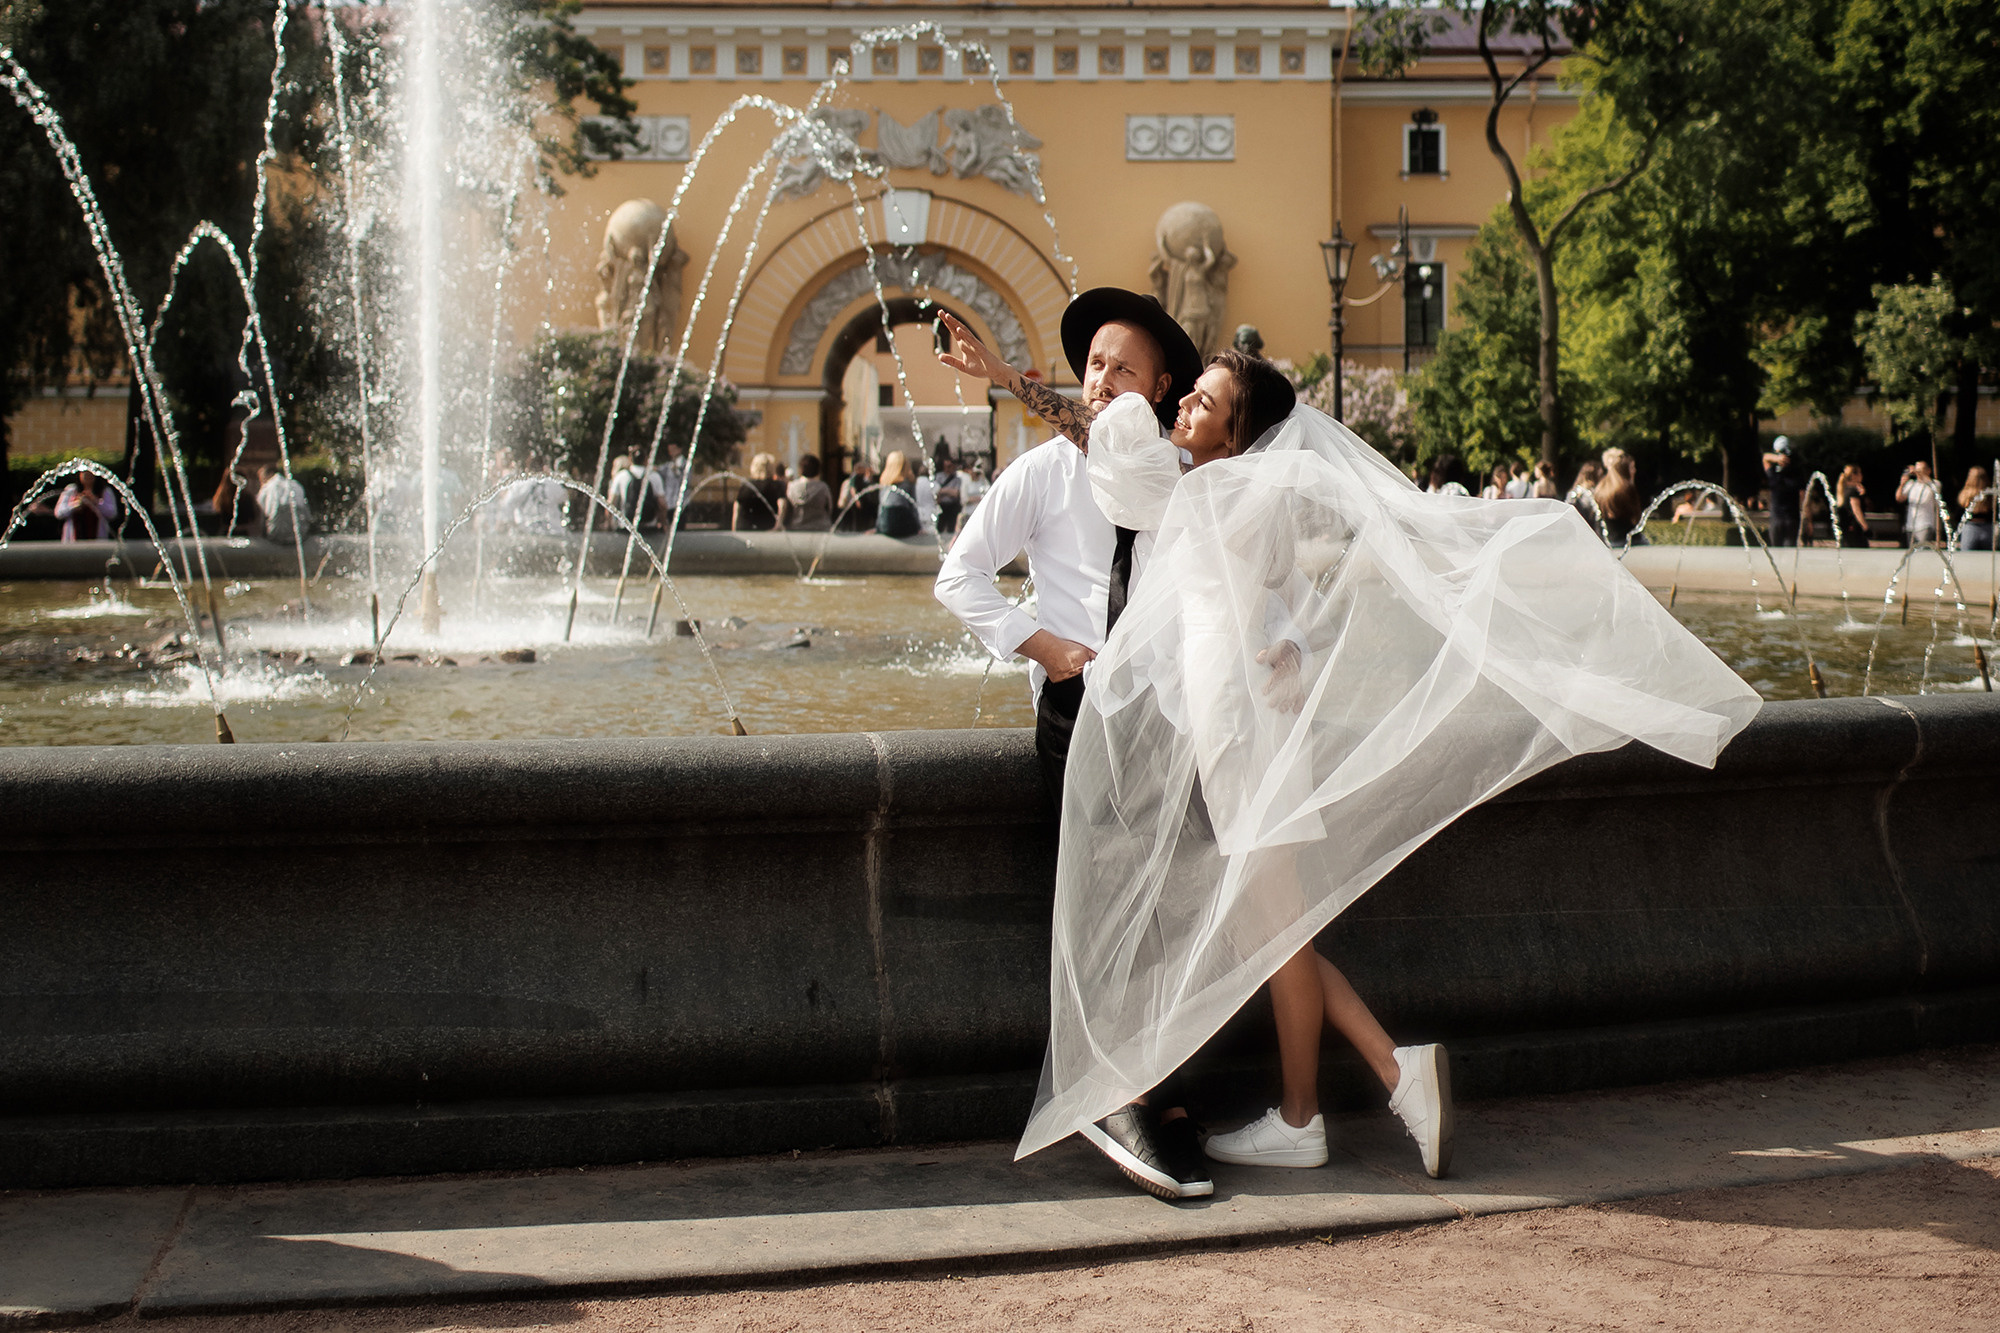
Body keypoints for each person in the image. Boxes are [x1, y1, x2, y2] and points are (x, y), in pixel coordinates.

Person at [1010, 356, 1760, 1197]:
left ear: (1236, 431)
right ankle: (1308, 1115)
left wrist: (1051, 385)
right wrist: (1292, 645)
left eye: (1203, 401)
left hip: (1230, 720)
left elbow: (1107, 445)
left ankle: (1388, 1077)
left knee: (1277, 929)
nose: (1181, 404)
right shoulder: (1250, 493)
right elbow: (1285, 590)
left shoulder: (1205, 492)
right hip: (1255, 710)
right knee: (1275, 927)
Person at [934, 287, 1206, 1199]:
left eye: (1122, 366)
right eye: (1092, 363)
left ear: (1162, 384)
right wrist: (1041, 645)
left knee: (1160, 906)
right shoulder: (1045, 472)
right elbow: (959, 575)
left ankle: (1154, 1084)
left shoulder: (1173, 469)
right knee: (1098, 899)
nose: (1102, 380)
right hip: (1080, 708)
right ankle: (1114, 1089)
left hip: (1162, 711)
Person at [1595, 447, 1644, 546]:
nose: (1634, 470)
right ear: (1624, 469)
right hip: (1628, 542)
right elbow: (1636, 520)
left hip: (1607, 542)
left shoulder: (1600, 488)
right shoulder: (1626, 489)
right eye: (1632, 467)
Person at [1762, 437, 1804, 547]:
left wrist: (1806, 519)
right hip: (1779, 518)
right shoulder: (1775, 473)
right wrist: (1777, 459)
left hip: (1790, 519)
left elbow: (1803, 496)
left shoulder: (1795, 472)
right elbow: (1765, 458)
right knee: (1777, 551)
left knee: (1786, 551)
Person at [54, 471, 119, 541]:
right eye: (84, 473)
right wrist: (75, 505)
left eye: (90, 474)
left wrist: (96, 501)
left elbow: (112, 514)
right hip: (73, 541)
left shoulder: (104, 491)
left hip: (98, 541)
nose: (87, 476)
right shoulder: (71, 490)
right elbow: (59, 513)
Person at [255, 463, 311, 544]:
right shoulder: (295, 484)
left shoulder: (267, 487)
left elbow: (261, 517)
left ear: (270, 474)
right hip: (300, 535)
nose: (261, 483)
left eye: (262, 479)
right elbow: (308, 516)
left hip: (276, 536)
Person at [732, 453, 785, 531]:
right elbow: (782, 505)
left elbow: (737, 509)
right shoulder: (776, 485)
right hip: (767, 529)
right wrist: (778, 526)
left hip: (745, 529)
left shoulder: (746, 485)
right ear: (771, 468)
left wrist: (734, 531)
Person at [875, 451, 921, 537]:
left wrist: (878, 526)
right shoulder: (908, 482)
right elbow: (913, 506)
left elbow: (881, 505)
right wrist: (919, 527)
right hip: (903, 524)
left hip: (886, 524)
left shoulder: (885, 482)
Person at [1896, 461, 1940, 547]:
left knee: (1922, 551)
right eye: (1917, 470)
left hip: (1925, 524)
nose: (1918, 472)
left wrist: (1918, 472)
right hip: (1910, 525)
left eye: (1921, 470)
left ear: (1928, 471)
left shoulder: (1934, 484)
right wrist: (1902, 485)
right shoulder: (1911, 484)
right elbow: (1899, 498)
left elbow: (1936, 492)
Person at [785, 454, 834, 532]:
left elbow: (787, 509)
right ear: (818, 470)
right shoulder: (823, 487)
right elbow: (829, 508)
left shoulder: (792, 486)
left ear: (801, 469)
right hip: (820, 528)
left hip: (797, 528)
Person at [1955, 466, 1993, 552]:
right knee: (1987, 558)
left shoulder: (1964, 495)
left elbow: (1958, 515)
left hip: (1970, 527)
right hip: (1987, 528)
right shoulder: (1989, 495)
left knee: (1966, 557)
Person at [1836, 465, 1872, 548]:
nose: (1861, 475)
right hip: (1855, 528)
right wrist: (1865, 527)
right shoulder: (1852, 492)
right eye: (1859, 473)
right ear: (1853, 476)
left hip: (1846, 528)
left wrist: (1863, 494)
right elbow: (1856, 510)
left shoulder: (1844, 490)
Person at [837, 460, 878, 532]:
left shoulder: (861, 477)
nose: (864, 470)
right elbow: (853, 489)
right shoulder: (855, 477)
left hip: (861, 502)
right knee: (855, 520)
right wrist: (857, 500)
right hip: (855, 502)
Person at [934, 455, 964, 535]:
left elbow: (955, 493)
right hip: (942, 505)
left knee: (952, 528)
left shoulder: (957, 478)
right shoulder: (939, 476)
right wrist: (948, 491)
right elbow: (936, 491)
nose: (947, 468)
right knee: (939, 528)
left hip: (952, 506)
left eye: (950, 466)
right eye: (946, 466)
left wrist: (943, 491)